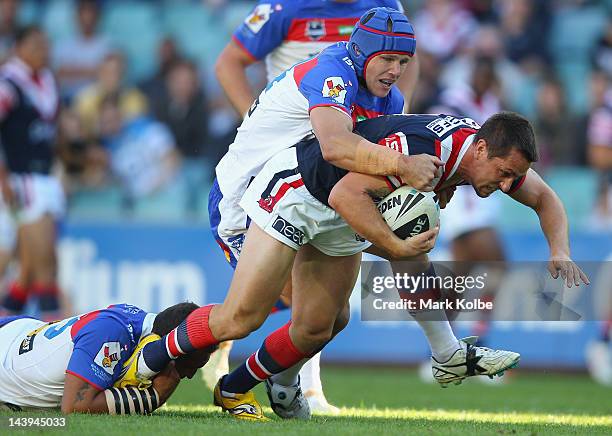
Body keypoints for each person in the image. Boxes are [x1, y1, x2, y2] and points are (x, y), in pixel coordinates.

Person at [212, 1, 421, 411]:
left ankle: (281, 383)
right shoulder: (288, 14)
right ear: (362, 51)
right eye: (389, 59)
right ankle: (167, 345)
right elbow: (229, 62)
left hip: (303, 192)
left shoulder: (385, 16)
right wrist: (253, 120)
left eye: (402, 61)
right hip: (248, 197)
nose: (396, 69)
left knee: (331, 315)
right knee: (269, 312)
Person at [0, 302, 215, 414]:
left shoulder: (135, 324)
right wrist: (153, 398)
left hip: (19, 333)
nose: (188, 375)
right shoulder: (113, 333)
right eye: (190, 366)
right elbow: (75, 406)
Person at [0, 26, 64, 321]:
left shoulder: (46, 81)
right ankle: (55, 338)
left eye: (45, 44)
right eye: (36, 45)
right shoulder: (9, 83)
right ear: (19, 47)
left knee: (26, 271)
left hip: (46, 177)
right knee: (45, 264)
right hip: (22, 178)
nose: (44, 51)